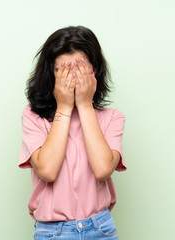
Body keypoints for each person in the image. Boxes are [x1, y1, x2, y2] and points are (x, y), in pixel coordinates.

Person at [19, 26, 126, 240]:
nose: (71, 78)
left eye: (78, 69)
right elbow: (47, 171)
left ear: (94, 71)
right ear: (51, 73)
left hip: (101, 229)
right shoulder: (33, 117)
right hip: (52, 232)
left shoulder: (112, 118)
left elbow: (103, 169)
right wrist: (64, 107)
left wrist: (85, 105)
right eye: (63, 71)